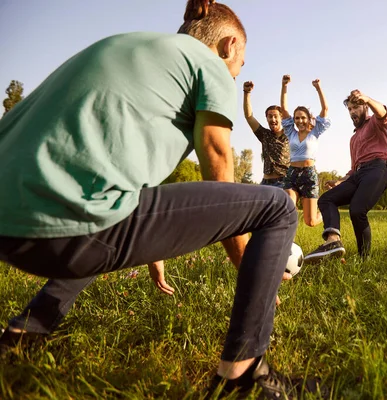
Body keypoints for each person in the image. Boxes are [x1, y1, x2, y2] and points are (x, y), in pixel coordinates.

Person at [0, 1, 323, 397]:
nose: (238, 72)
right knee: (276, 207)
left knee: (97, 206)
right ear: (228, 45)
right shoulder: (210, 67)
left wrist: (154, 250)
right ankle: (242, 373)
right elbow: (219, 162)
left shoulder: (126, 46)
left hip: (12, 227)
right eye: (241, 61)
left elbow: (114, 172)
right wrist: (250, 266)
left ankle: (27, 328)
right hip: (68, 236)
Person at [304, 90, 387, 264]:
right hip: (359, 173)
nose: (352, 111)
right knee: (326, 199)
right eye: (350, 109)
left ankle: (364, 258)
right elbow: (354, 168)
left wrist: (366, 98)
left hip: (378, 168)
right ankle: (333, 240)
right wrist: (341, 181)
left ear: (365, 107)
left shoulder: (375, 122)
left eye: (356, 107)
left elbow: (383, 113)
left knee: (357, 210)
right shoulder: (353, 138)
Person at [280, 75, 331, 227]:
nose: (299, 121)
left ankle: (326, 209)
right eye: (297, 118)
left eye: (303, 118)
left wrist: (318, 88)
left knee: (311, 221)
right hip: (292, 174)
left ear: (309, 119)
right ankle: (287, 241)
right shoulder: (291, 132)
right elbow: (283, 109)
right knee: (287, 209)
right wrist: (284, 85)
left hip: (309, 175)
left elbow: (325, 109)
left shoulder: (315, 132)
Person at [243, 81, 290, 187]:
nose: (272, 119)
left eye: (275, 116)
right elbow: (249, 116)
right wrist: (247, 93)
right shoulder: (264, 134)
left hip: (284, 182)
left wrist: (284, 86)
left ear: (281, 118)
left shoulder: (290, 135)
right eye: (270, 116)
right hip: (266, 183)